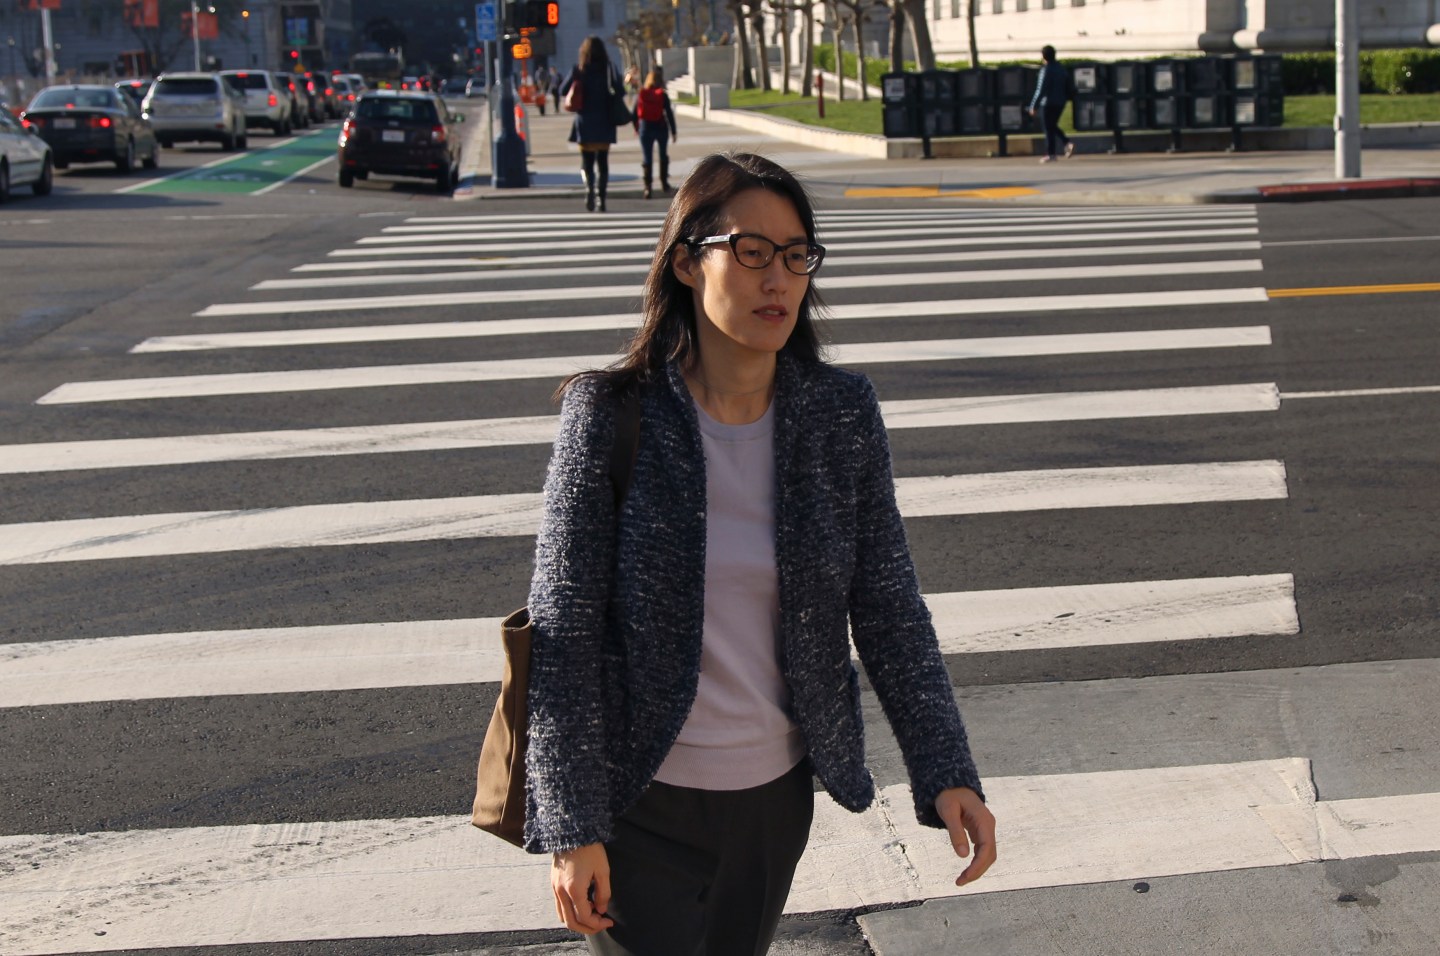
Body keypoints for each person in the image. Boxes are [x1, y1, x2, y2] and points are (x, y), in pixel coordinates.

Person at [523, 151, 997, 956]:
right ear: (686, 262)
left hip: (773, 803)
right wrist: (572, 825)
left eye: (795, 254)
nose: (776, 277)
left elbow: (887, 608)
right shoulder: (611, 415)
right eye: (750, 251)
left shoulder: (839, 415)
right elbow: (560, 632)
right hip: (641, 799)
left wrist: (946, 769)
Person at [560, 36, 622, 212]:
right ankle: (601, 198)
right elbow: (620, 91)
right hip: (605, 120)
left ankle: (589, 190)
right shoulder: (609, 69)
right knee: (603, 162)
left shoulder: (578, 70)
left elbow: (562, 90)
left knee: (586, 161)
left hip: (584, 121)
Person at [632, 67, 677, 200]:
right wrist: (673, 131)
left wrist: (636, 127)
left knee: (647, 158)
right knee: (663, 154)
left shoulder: (642, 94)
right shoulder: (662, 95)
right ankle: (664, 183)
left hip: (645, 128)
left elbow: (634, 114)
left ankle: (648, 187)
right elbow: (669, 113)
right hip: (660, 127)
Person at [1028, 45, 1075, 163]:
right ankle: (1066, 142)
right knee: (1052, 125)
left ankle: (1051, 153)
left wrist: (1034, 105)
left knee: (1048, 128)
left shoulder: (1046, 70)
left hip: (1048, 103)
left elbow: (1041, 89)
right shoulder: (1061, 68)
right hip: (1060, 101)